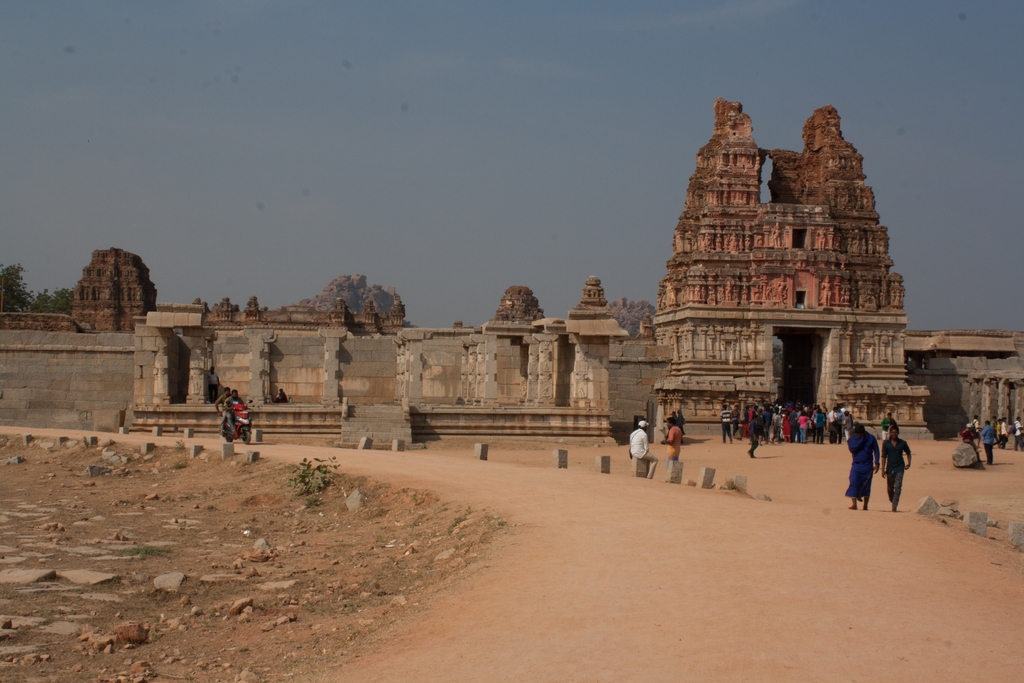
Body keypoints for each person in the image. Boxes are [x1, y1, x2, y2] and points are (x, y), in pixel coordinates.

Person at [845, 423, 879, 511]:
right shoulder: (853, 439)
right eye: (858, 434)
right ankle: (854, 504)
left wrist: (877, 462)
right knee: (853, 482)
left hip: (867, 464)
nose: (859, 436)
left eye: (861, 434)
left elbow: (876, 451)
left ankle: (865, 505)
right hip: (856, 464)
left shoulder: (871, 438)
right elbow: (851, 449)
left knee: (866, 484)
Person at [880, 425, 912, 512]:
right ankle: (893, 500)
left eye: (896, 432)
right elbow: (883, 456)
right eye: (893, 432)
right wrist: (882, 469)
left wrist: (909, 463)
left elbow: (908, 452)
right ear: (890, 433)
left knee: (898, 487)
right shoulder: (886, 444)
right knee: (889, 488)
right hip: (889, 468)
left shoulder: (902, 443)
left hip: (899, 467)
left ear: (898, 433)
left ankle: (894, 506)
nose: (894, 434)